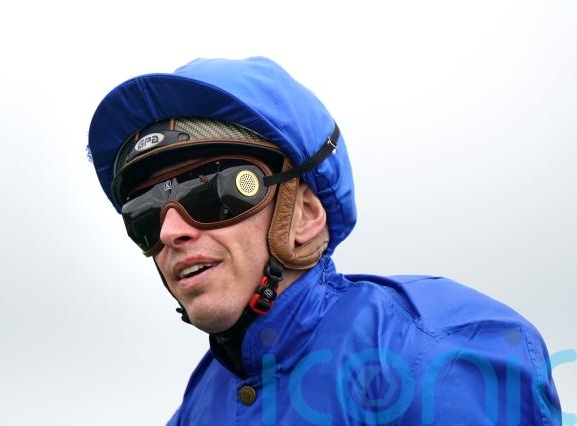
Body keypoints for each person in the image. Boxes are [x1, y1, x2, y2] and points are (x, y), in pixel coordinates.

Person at [87, 57, 562, 425]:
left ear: (305, 216)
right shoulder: (197, 406)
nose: (170, 231)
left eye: (212, 192)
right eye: (144, 214)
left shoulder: (437, 357)